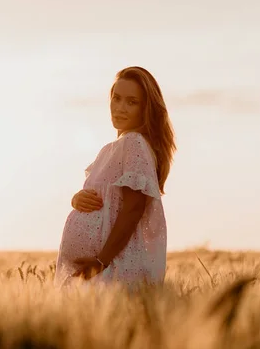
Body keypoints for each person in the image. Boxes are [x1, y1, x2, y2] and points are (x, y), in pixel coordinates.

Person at [54, 66, 176, 291]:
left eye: (132, 102)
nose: (120, 108)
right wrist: (76, 200)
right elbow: (104, 199)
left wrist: (101, 262)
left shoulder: (134, 143)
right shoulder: (115, 148)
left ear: (146, 109)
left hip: (113, 270)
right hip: (103, 270)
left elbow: (133, 210)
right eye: (116, 98)